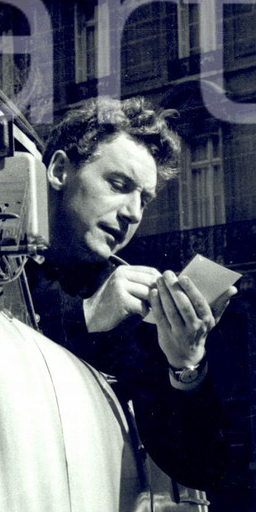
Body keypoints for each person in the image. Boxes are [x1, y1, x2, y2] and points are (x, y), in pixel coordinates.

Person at [27, 96, 236, 490]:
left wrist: (186, 363)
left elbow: (202, 469)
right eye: (119, 185)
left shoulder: (136, 310)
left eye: (144, 199)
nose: (134, 213)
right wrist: (86, 318)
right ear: (59, 170)